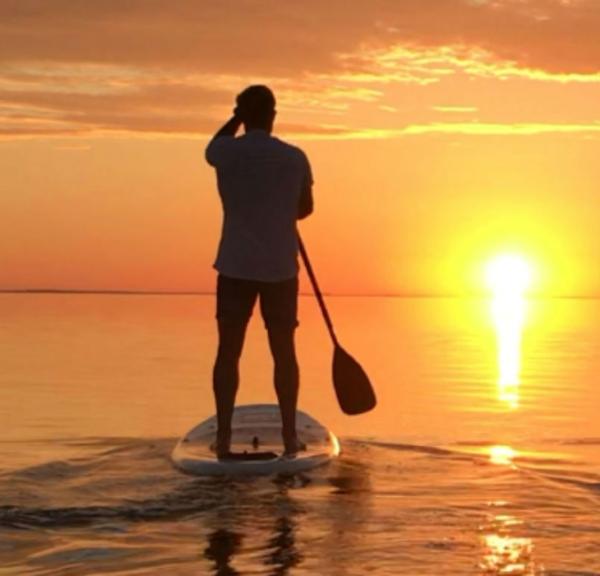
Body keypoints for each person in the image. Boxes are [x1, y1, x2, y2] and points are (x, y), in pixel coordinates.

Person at [205, 85, 314, 458]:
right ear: (274, 116)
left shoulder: (225, 151)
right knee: (284, 352)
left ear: (241, 116)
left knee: (228, 352)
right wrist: (281, 209)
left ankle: (222, 439)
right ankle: (287, 436)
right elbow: (305, 209)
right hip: (280, 269)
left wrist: (236, 116)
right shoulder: (295, 158)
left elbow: (211, 148)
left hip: (235, 266)